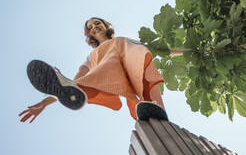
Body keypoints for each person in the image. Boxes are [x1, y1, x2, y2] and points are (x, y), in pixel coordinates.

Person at [19, 17, 168, 123]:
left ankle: (157, 107)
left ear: (106, 26)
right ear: (90, 35)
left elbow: (159, 51)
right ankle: (78, 91)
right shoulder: (92, 56)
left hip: (134, 62)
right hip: (109, 75)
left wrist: (189, 50)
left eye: (97, 23)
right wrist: (44, 103)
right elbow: (78, 77)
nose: (94, 27)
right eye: (90, 27)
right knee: (85, 80)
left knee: (143, 58)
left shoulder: (123, 40)